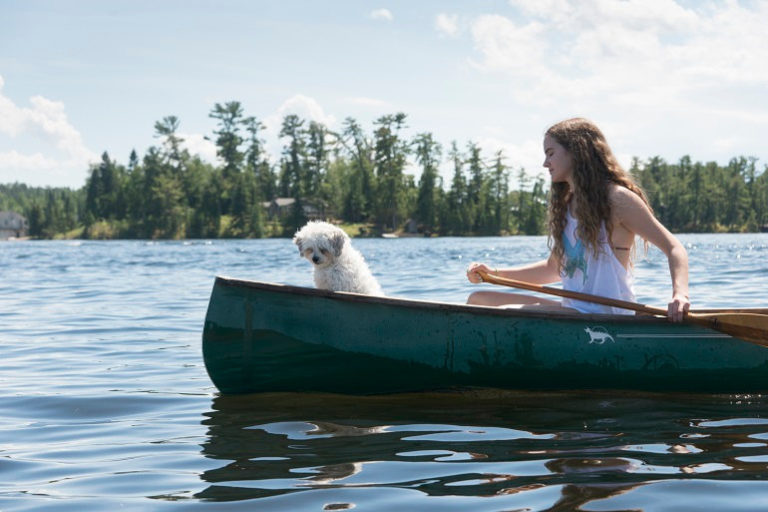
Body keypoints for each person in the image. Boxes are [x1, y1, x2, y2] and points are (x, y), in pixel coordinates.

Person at [466, 117, 690, 322]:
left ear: (575, 151)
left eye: (551, 153)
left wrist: (679, 294)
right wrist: (493, 274)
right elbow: (553, 268)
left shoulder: (617, 199)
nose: (545, 163)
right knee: (479, 299)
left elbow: (674, 248)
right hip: (573, 312)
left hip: (605, 317)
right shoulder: (566, 204)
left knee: (509, 313)